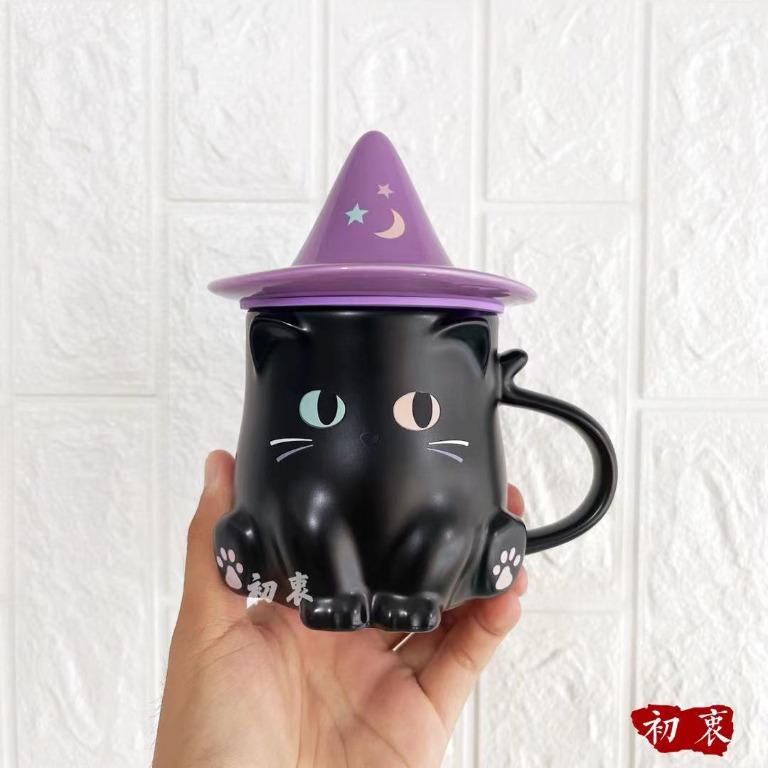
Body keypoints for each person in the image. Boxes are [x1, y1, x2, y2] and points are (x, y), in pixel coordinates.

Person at [153, 450, 528, 768]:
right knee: (307, 511)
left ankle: (475, 549)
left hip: (414, 553)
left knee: (440, 528)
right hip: (305, 555)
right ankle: (474, 552)